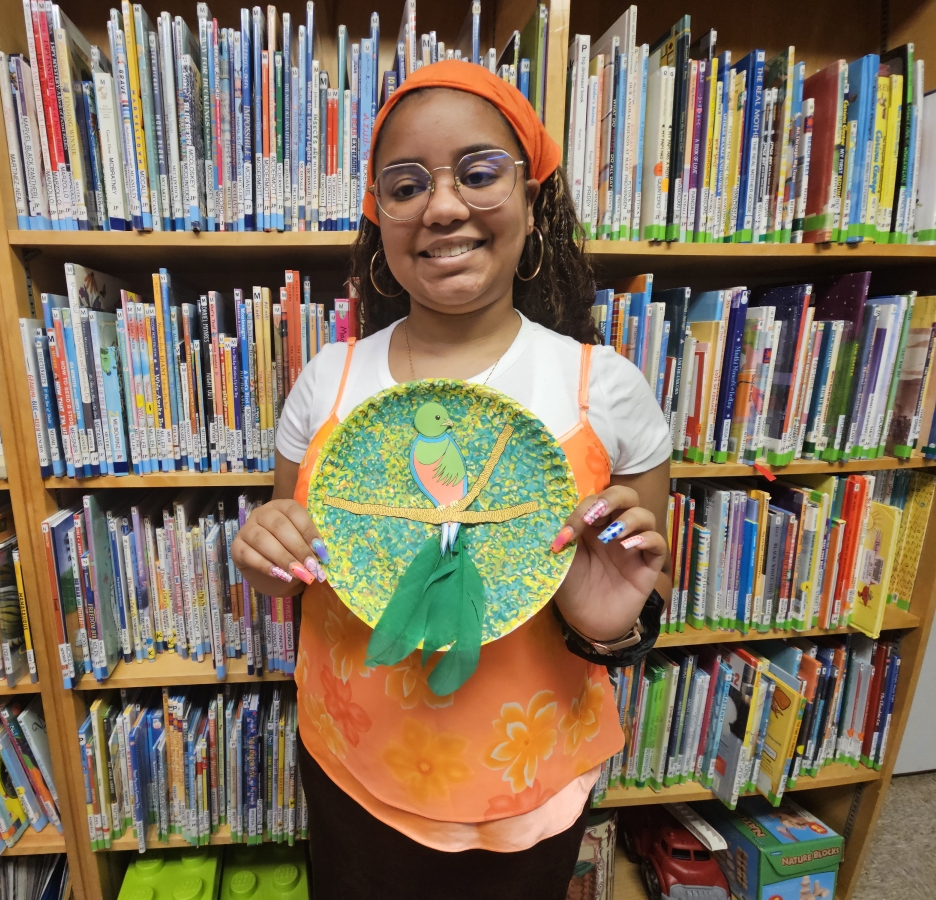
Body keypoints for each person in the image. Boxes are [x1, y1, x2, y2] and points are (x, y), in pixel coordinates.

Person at [230, 60, 672, 899]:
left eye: (478, 173)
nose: (442, 206)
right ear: (380, 215)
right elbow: (297, 570)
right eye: (405, 185)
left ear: (533, 197)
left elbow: (637, 598)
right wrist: (263, 561)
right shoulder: (326, 381)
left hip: (526, 789)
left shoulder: (603, 389)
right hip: (351, 768)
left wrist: (603, 625)